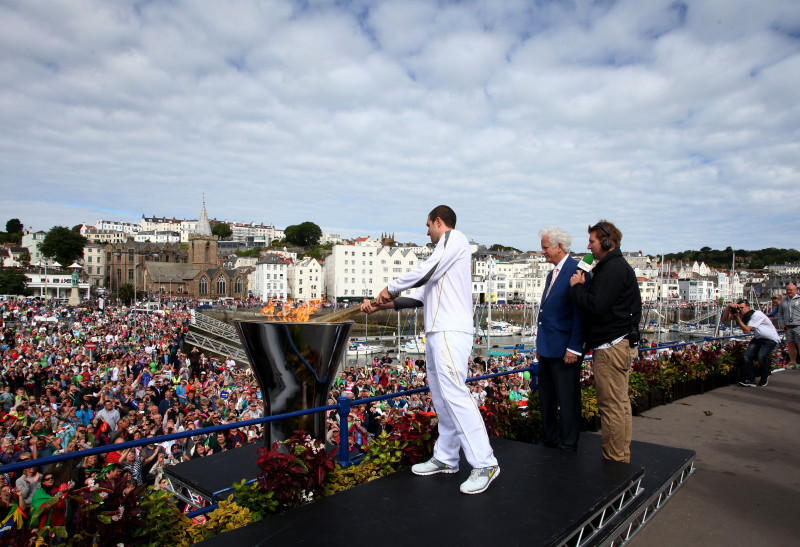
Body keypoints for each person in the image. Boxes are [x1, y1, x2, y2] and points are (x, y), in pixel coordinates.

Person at [361, 205, 499, 494]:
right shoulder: (443, 258)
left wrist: (391, 287)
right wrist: (379, 304)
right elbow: (418, 297)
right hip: (437, 331)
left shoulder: (454, 241)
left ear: (439, 222)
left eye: (428, 225)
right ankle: (447, 458)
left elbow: (424, 273)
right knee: (441, 396)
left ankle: (485, 462)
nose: (426, 231)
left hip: (451, 330)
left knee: (455, 393)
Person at [569, 221, 641, 463]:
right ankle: (621, 456)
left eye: (592, 241)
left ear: (607, 242)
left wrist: (578, 288)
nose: (588, 246)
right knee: (620, 405)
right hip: (619, 344)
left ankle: (614, 460)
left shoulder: (612, 269)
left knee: (611, 407)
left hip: (610, 347)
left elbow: (596, 306)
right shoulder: (616, 267)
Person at [535, 227, 585, 451]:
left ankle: (568, 442)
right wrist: (539, 344)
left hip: (565, 349)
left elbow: (580, 312)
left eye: (546, 247)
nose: (542, 251)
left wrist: (574, 347)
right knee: (546, 398)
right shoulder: (551, 273)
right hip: (547, 347)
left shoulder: (578, 271)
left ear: (559, 247)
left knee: (567, 400)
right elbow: (546, 312)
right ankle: (549, 438)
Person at [723, 299, 780, 387]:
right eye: (739, 308)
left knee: (761, 355)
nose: (740, 310)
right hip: (759, 337)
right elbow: (724, 320)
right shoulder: (742, 315)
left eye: (742, 307)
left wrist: (737, 318)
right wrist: (729, 307)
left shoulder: (756, 315)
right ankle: (750, 379)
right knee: (747, 355)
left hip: (770, 338)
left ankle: (764, 376)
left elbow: (746, 330)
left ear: (748, 307)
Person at [777, 283, 800, 367]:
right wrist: (782, 324)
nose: (789, 292)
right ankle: (794, 363)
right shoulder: (784, 300)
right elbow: (780, 314)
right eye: (787, 290)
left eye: (791, 290)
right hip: (788, 327)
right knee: (790, 345)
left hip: (798, 325)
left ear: (795, 290)